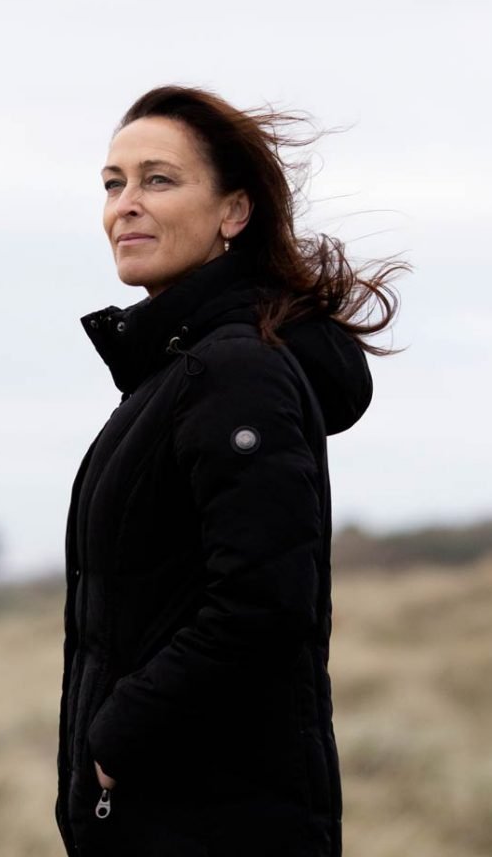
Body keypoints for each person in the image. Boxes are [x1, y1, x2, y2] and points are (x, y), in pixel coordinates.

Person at [55, 85, 406, 857]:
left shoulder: (234, 373)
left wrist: (118, 735)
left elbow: (262, 603)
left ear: (234, 214)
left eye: (158, 179)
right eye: (113, 185)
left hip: (214, 820)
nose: (126, 205)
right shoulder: (175, 373)